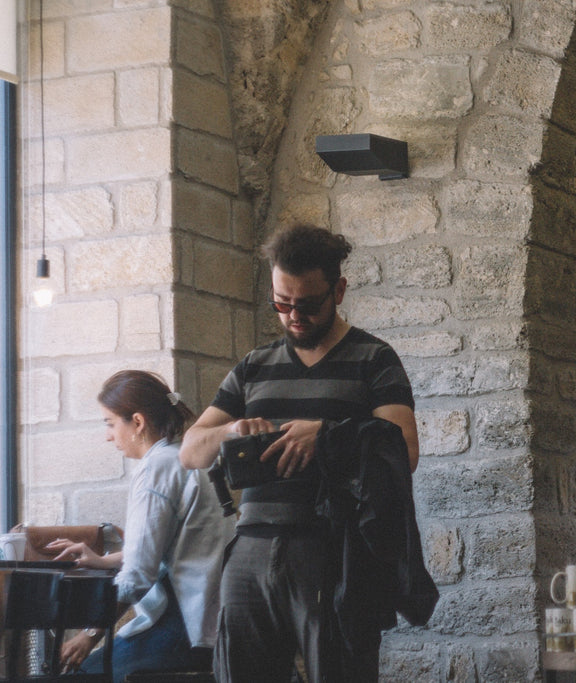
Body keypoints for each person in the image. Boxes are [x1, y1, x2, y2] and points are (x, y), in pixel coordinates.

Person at [178, 224, 424, 683]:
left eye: (307, 304)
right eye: (281, 303)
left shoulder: (374, 359)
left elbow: (403, 448)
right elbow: (191, 451)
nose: (293, 316)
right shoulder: (254, 366)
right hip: (250, 548)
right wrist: (232, 428)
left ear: (340, 289)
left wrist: (327, 435)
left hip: (330, 549)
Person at [50, 370, 235, 682]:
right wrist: (106, 560)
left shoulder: (156, 471)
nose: (108, 435)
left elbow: (137, 578)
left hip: (186, 628)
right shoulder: (183, 458)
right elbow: (176, 543)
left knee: (79, 675)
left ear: (137, 422)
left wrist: (89, 634)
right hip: (215, 620)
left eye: (110, 423)